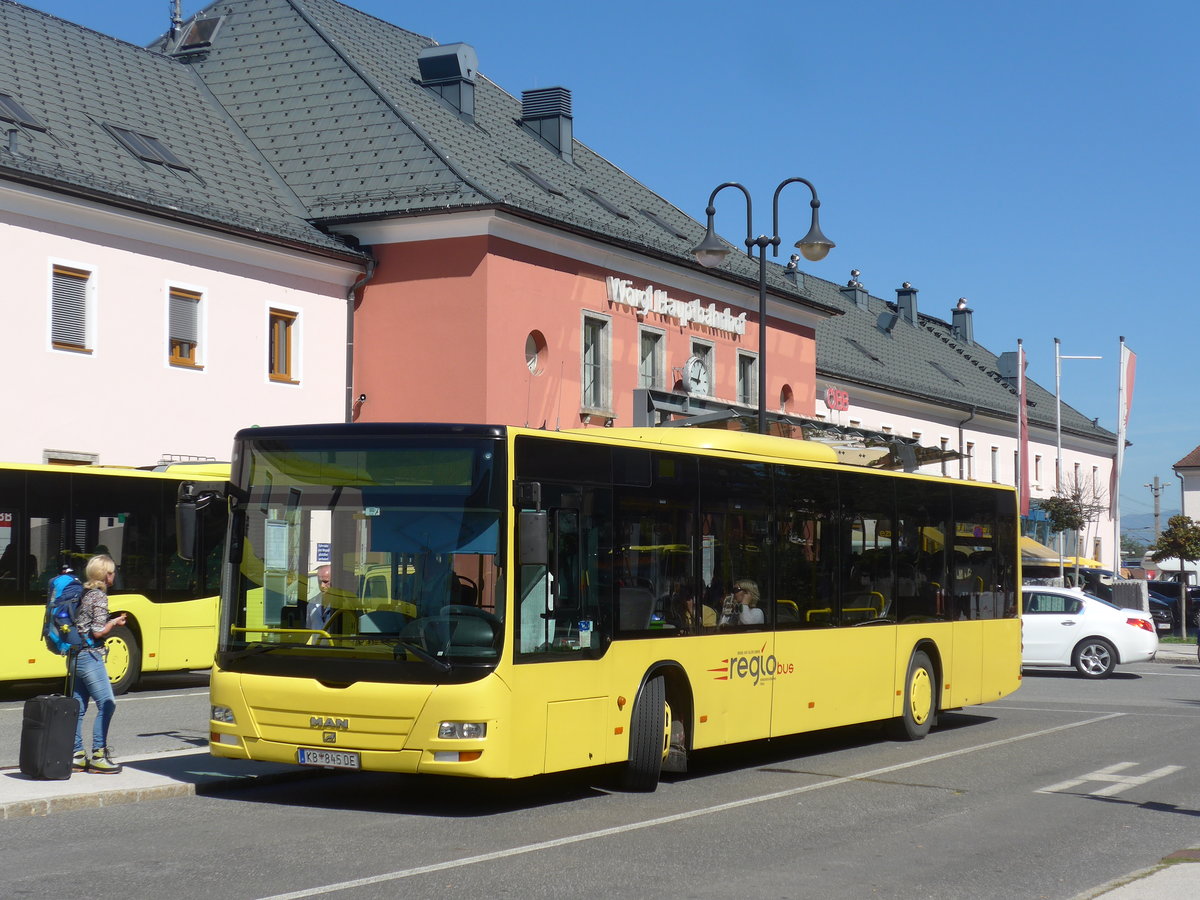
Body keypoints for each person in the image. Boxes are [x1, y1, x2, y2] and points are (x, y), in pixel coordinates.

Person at [72, 554, 128, 774]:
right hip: (90, 656)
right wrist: (114, 622)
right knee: (107, 703)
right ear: (106, 574)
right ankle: (98, 755)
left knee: (79, 706)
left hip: (75, 654)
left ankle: (76, 755)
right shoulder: (99, 597)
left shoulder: (83, 593)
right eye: (112, 571)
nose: (114, 575)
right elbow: (97, 631)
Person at [306, 564, 332, 631]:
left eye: (326, 582)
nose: (322, 585)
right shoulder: (312, 603)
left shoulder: (342, 604)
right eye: (320, 582)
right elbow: (307, 631)